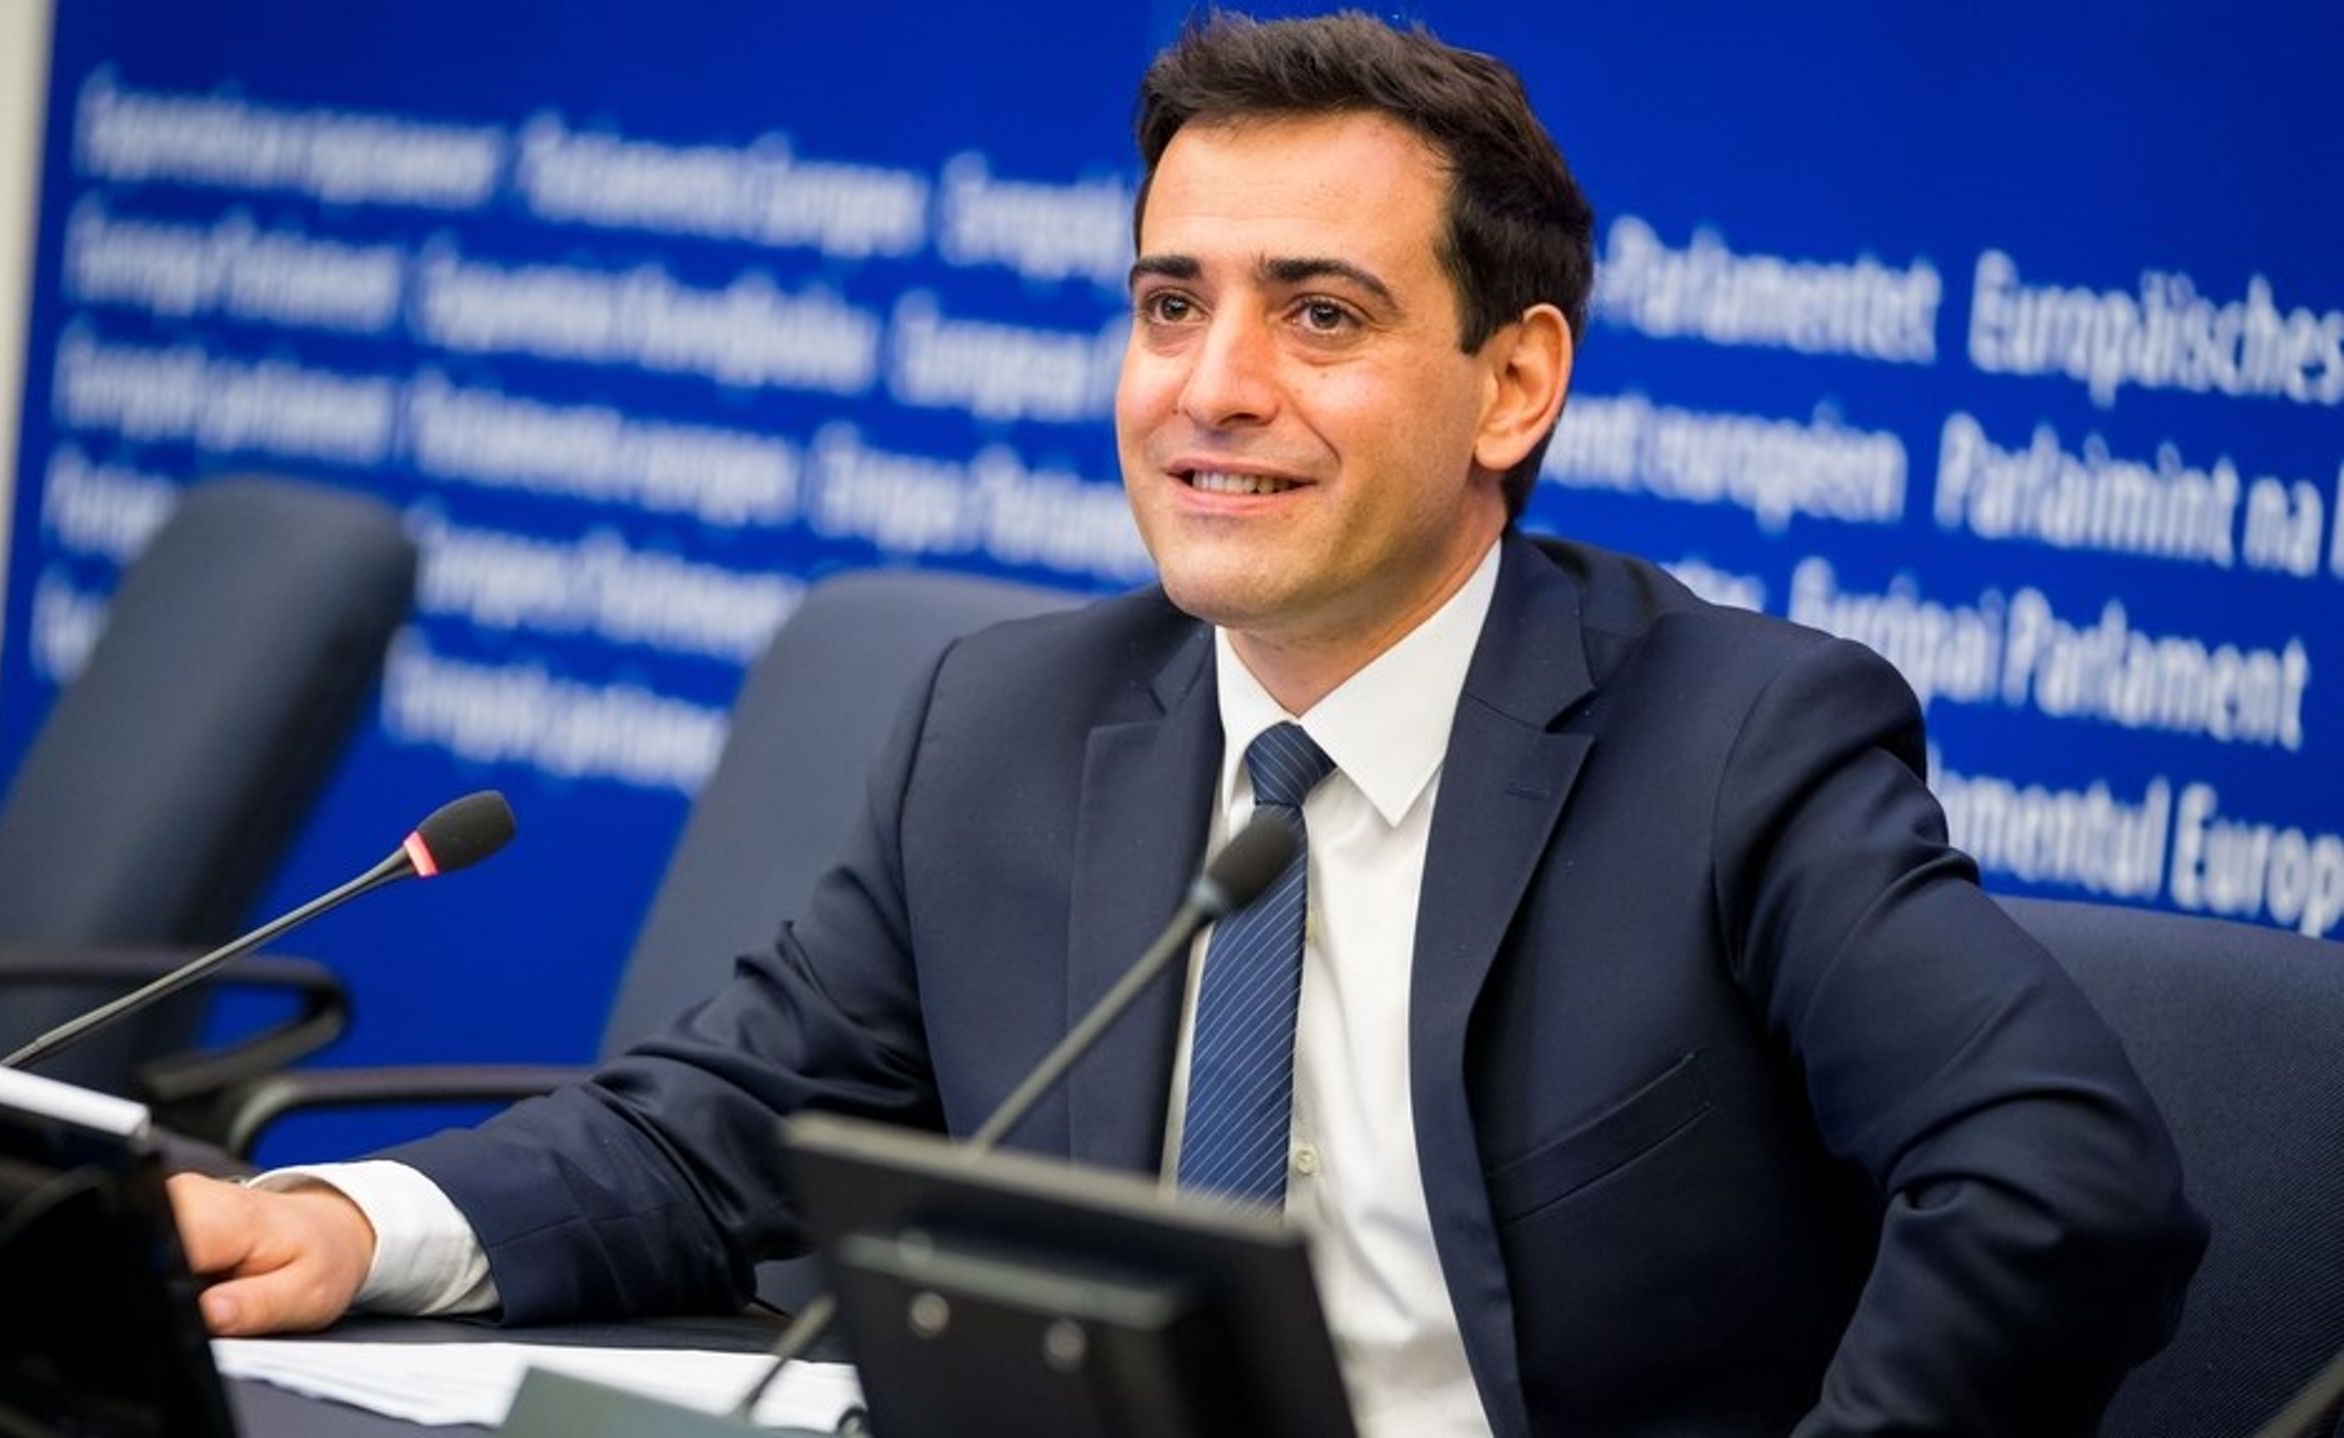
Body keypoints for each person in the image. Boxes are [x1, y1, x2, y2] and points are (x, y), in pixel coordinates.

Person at [170, 13, 2204, 1434]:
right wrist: (343, 1220)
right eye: (1169, 304)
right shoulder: (1008, 720)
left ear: (1512, 385)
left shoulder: (1733, 741)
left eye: (1318, 314)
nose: (1210, 386)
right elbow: (709, 1134)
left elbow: (2062, 1181)